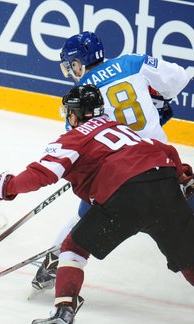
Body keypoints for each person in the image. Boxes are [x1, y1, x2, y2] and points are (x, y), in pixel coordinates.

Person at [0, 84, 194, 324]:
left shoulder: (75, 137)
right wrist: (183, 175)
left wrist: (6, 187)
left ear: (75, 114)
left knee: (73, 247)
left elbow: (41, 174)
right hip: (165, 184)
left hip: (126, 194)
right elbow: (163, 149)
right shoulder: (122, 128)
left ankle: (63, 313)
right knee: (189, 258)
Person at [30, 31, 193, 292]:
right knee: (183, 209)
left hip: (120, 168)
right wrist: (154, 106)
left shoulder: (82, 94)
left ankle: (56, 260)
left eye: (70, 65)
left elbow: (79, 141)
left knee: (89, 215)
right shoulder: (131, 62)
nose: (71, 71)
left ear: (77, 63)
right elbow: (177, 80)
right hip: (161, 161)